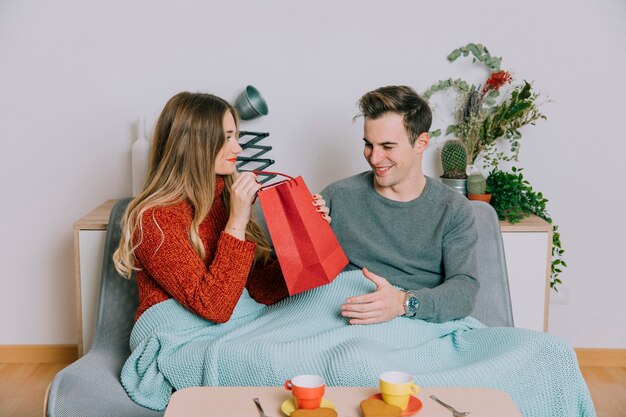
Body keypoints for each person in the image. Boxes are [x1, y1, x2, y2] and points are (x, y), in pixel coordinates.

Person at [112, 91, 329, 323]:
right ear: (194, 144)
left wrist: (307, 238)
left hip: (236, 322)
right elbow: (214, 308)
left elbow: (260, 290)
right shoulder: (154, 219)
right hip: (177, 336)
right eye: (227, 138)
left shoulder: (224, 201)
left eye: (236, 136)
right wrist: (236, 222)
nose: (238, 148)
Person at [321, 85, 479, 325]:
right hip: (350, 323)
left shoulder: (452, 209)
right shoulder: (337, 196)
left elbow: (464, 291)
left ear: (421, 143)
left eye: (387, 147)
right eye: (368, 144)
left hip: (419, 323)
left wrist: (402, 303)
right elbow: (293, 274)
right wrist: (306, 233)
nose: (374, 158)